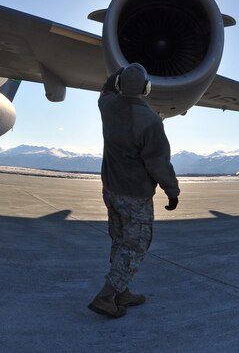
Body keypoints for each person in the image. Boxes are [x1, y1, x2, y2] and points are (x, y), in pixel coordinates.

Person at [87, 63, 180, 318]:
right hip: (135, 195)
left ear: (118, 85)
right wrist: (172, 191)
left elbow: (105, 90)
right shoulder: (150, 121)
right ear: (146, 88)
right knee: (136, 246)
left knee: (119, 240)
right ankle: (106, 296)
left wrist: (119, 74)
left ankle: (122, 291)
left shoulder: (107, 107)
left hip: (111, 190)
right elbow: (159, 163)